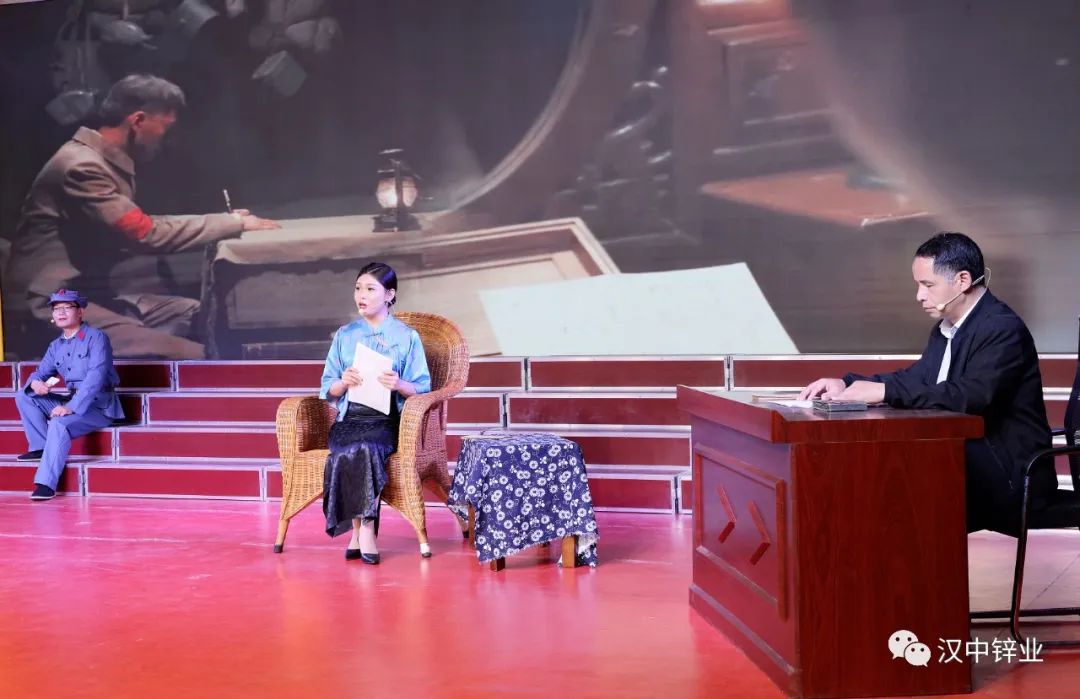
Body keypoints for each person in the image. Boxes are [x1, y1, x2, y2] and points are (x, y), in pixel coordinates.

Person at [5, 73, 279, 360]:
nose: (167, 139)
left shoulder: (99, 161)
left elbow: (138, 221)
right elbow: (144, 232)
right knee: (200, 358)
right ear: (137, 121)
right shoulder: (81, 167)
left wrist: (222, 221)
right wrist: (231, 224)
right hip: (51, 305)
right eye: (165, 128)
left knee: (208, 314)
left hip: (89, 297)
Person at [799, 232, 1054, 533]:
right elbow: (917, 379)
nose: (919, 296)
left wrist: (885, 391)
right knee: (884, 479)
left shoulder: (1001, 328)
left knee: (895, 482)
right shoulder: (946, 329)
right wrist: (848, 383)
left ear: (962, 280)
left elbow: (970, 397)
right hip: (972, 461)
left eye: (928, 285)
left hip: (1012, 474)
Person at [320, 262, 431, 563]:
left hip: (385, 420)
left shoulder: (407, 336)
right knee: (345, 449)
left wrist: (400, 384)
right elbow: (328, 387)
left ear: (389, 295)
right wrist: (343, 382)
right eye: (358, 288)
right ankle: (358, 531)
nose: (362, 295)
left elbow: (423, 387)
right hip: (350, 418)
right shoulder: (345, 335)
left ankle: (365, 529)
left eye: (370, 289)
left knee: (366, 447)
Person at [15, 289, 125, 501]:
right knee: (25, 395)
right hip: (72, 399)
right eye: (56, 309)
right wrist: (35, 383)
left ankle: (45, 484)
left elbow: (96, 377)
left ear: (80, 312)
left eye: (67, 307)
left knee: (59, 423)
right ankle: (41, 447)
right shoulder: (56, 345)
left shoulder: (96, 338)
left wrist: (71, 407)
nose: (61, 312)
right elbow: (40, 372)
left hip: (98, 405)